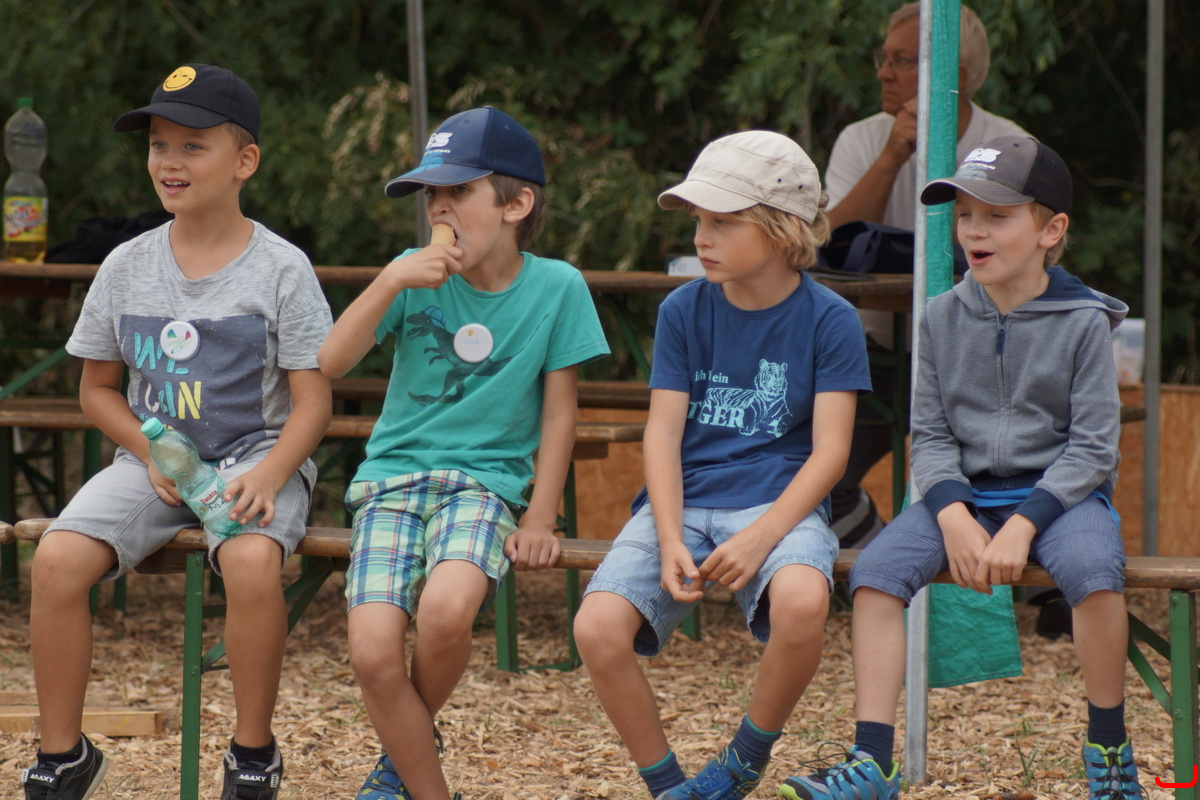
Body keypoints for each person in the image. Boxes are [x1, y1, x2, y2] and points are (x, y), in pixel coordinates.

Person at [778, 135, 1143, 800]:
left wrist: (1023, 525)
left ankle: (1110, 749)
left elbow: (1093, 449)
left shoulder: (1085, 321)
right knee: (875, 576)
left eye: (997, 216)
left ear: (1050, 230)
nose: (974, 230)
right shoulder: (940, 316)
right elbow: (931, 433)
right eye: (965, 214)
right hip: (962, 496)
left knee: (1096, 575)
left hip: (1060, 499)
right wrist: (951, 514)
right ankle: (873, 762)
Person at [22, 64, 333, 800]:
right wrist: (148, 451)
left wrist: (270, 474)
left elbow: (314, 404)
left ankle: (252, 753)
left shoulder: (282, 269)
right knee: (55, 560)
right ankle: (63, 755)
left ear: (244, 160)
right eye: (159, 144)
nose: (170, 160)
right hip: (151, 460)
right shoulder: (125, 265)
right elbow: (96, 391)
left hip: (259, 454)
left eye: (193, 145)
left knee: (251, 563)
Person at [317, 106, 609, 800]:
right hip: (392, 481)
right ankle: (414, 752)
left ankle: (407, 764)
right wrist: (392, 280)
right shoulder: (411, 274)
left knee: (447, 614)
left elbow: (560, 411)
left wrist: (541, 516)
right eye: (432, 195)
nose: (439, 209)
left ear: (516, 204)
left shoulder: (558, 287)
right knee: (372, 651)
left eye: (459, 192)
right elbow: (329, 362)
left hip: (483, 486)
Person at [574, 130, 871, 800]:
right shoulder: (682, 309)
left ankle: (740, 764)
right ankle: (668, 787)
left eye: (722, 222)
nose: (701, 238)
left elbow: (831, 453)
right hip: (682, 503)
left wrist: (762, 536)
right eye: (698, 221)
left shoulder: (832, 320)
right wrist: (670, 536)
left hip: (777, 504)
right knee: (595, 628)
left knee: (804, 601)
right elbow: (661, 434)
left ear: (783, 228)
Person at [825, 2, 1029, 551]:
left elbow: (1028, 261)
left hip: (983, 356)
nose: (882, 73)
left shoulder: (1009, 147)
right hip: (876, 354)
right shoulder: (861, 138)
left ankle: (1038, 588)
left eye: (900, 60)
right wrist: (893, 155)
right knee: (818, 477)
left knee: (1009, 479)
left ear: (950, 76)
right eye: (883, 57)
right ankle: (884, 558)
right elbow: (826, 248)